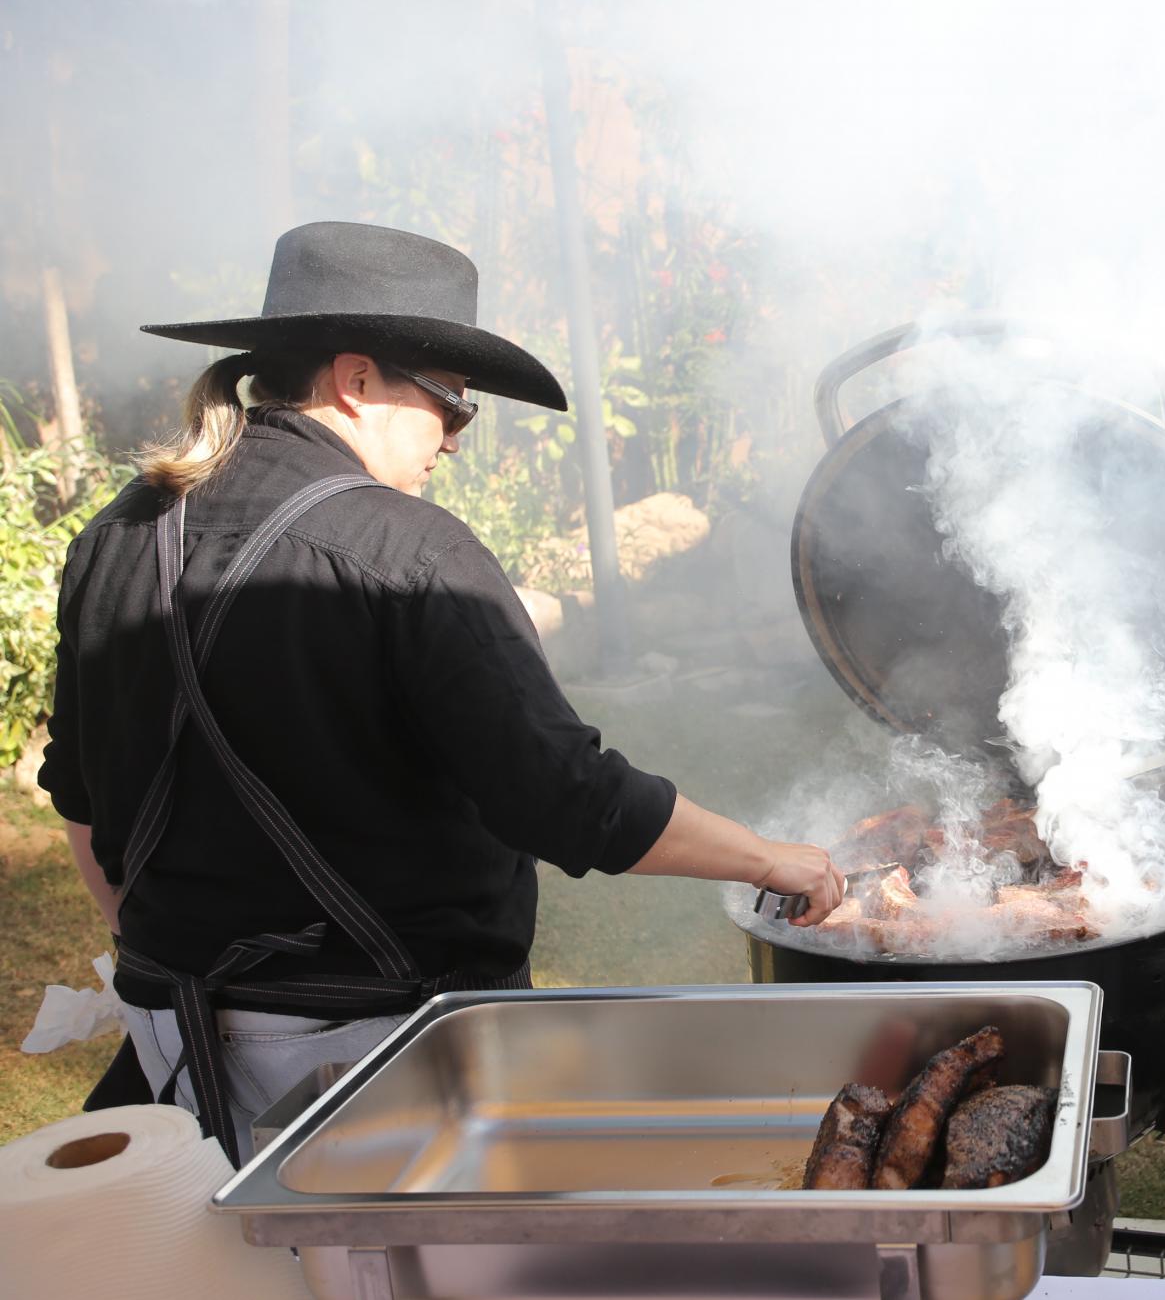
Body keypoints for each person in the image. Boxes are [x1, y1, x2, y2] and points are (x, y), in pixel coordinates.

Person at [39, 221, 843, 1164]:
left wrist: (183, 970)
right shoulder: (412, 551)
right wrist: (767, 858)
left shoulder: (118, 535)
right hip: (383, 1063)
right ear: (357, 380)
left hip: (171, 1045)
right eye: (453, 400)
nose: (457, 437)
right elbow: (567, 799)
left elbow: (83, 805)